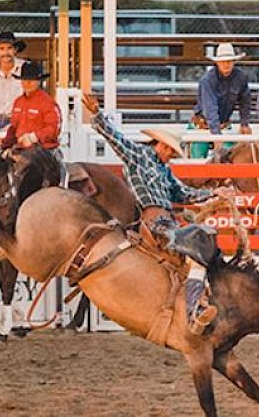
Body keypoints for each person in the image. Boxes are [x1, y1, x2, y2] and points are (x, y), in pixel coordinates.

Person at [82, 93, 233, 335]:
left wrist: (215, 193)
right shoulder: (140, 156)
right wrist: (98, 115)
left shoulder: (165, 170)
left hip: (166, 220)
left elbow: (184, 194)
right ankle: (194, 309)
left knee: (203, 246)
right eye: (171, 152)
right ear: (161, 145)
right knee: (196, 246)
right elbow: (116, 140)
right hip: (153, 221)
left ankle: (199, 303)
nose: (171, 156)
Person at [190, 42, 251, 158]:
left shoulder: (241, 78)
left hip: (223, 124)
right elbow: (210, 108)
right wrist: (217, 134)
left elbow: (245, 100)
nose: (226, 65)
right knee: (198, 158)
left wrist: (244, 123)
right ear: (217, 62)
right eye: (223, 61)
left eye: (229, 61)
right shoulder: (207, 80)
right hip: (202, 125)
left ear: (233, 62)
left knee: (231, 156)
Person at [1, 61, 61, 155]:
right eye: (24, 80)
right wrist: (4, 145)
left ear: (39, 81)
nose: (27, 83)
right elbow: (13, 128)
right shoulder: (18, 102)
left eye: (32, 80)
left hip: (43, 151)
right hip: (21, 150)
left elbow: (53, 128)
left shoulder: (47, 102)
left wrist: (33, 138)